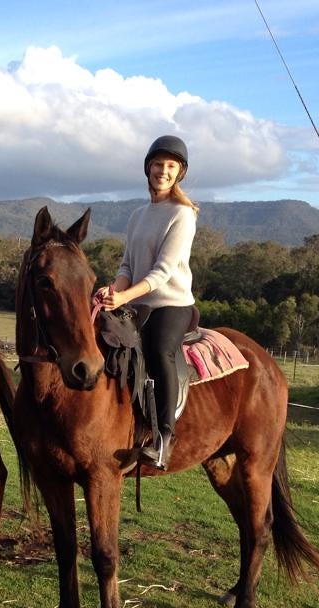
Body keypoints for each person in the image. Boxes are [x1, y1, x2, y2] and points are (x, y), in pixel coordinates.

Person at [96, 135, 198, 469]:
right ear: (148, 168)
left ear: (179, 173)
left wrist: (124, 296)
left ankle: (164, 439)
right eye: (158, 164)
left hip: (171, 304)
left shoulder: (183, 214)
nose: (163, 171)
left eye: (171, 166)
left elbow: (164, 271)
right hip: (137, 302)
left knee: (158, 351)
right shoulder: (138, 215)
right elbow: (127, 266)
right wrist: (113, 292)